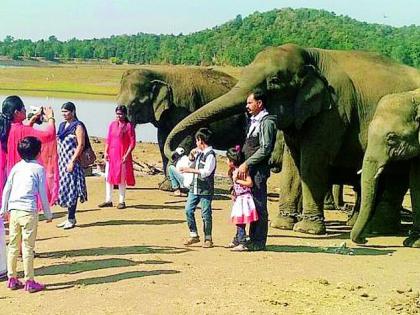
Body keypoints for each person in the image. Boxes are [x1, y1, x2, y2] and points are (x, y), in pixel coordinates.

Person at [0, 136, 53, 293]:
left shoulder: (16, 167)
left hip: (14, 211)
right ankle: (29, 280)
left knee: (13, 246)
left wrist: (4, 209)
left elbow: (7, 189)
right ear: (38, 152)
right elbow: (43, 193)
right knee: (28, 247)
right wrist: (48, 213)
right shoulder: (39, 169)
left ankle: (12, 278)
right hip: (29, 211)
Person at [0, 96, 58, 206]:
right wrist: (51, 118)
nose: (25, 110)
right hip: (24, 173)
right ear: (16, 112)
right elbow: (49, 135)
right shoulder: (21, 130)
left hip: (9, 171)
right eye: (23, 108)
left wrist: (31, 121)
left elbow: (21, 133)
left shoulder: (6, 128)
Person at [237, 89, 276, 251]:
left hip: (258, 170)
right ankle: (247, 239)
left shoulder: (266, 122)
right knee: (250, 203)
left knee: (259, 204)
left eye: (250, 102)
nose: (247, 106)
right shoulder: (254, 120)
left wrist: (247, 163)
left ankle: (258, 241)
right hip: (250, 168)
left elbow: (266, 148)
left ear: (259, 103)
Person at [180, 128, 216, 248]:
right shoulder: (199, 153)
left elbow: (206, 172)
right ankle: (194, 234)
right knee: (188, 210)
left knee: (206, 213)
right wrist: (191, 156)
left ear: (200, 140)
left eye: (197, 141)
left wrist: (190, 170)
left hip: (205, 189)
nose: (196, 144)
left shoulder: (210, 155)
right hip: (194, 187)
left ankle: (208, 238)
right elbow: (190, 164)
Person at [56, 102, 88, 229]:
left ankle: (71, 217)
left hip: (72, 162)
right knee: (64, 188)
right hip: (62, 161)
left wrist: (73, 161)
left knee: (72, 189)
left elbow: (80, 145)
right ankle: (68, 216)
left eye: (66, 111)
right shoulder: (62, 125)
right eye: (62, 112)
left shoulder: (78, 126)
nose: (64, 114)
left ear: (73, 111)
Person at [98, 105, 136, 209]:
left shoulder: (128, 126)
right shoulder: (112, 125)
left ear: (125, 114)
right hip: (111, 155)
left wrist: (126, 155)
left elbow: (132, 143)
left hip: (122, 155)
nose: (118, 116)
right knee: (108, 177)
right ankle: (108, 200)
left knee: (121, 178)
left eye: (121, 114)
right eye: (117, 114)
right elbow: (108, 139)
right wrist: (105, 152)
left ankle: (121, 201)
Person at [225, 146, 258, 251]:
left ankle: (242, 242)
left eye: (227, 159)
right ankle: (237, 239)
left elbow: (250, 183)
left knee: (240, 221)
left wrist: (238, 180)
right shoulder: (233, 170)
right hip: (239, 198)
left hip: (244, 198)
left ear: (232, 161)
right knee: (239, 220)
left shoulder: (241, 171)